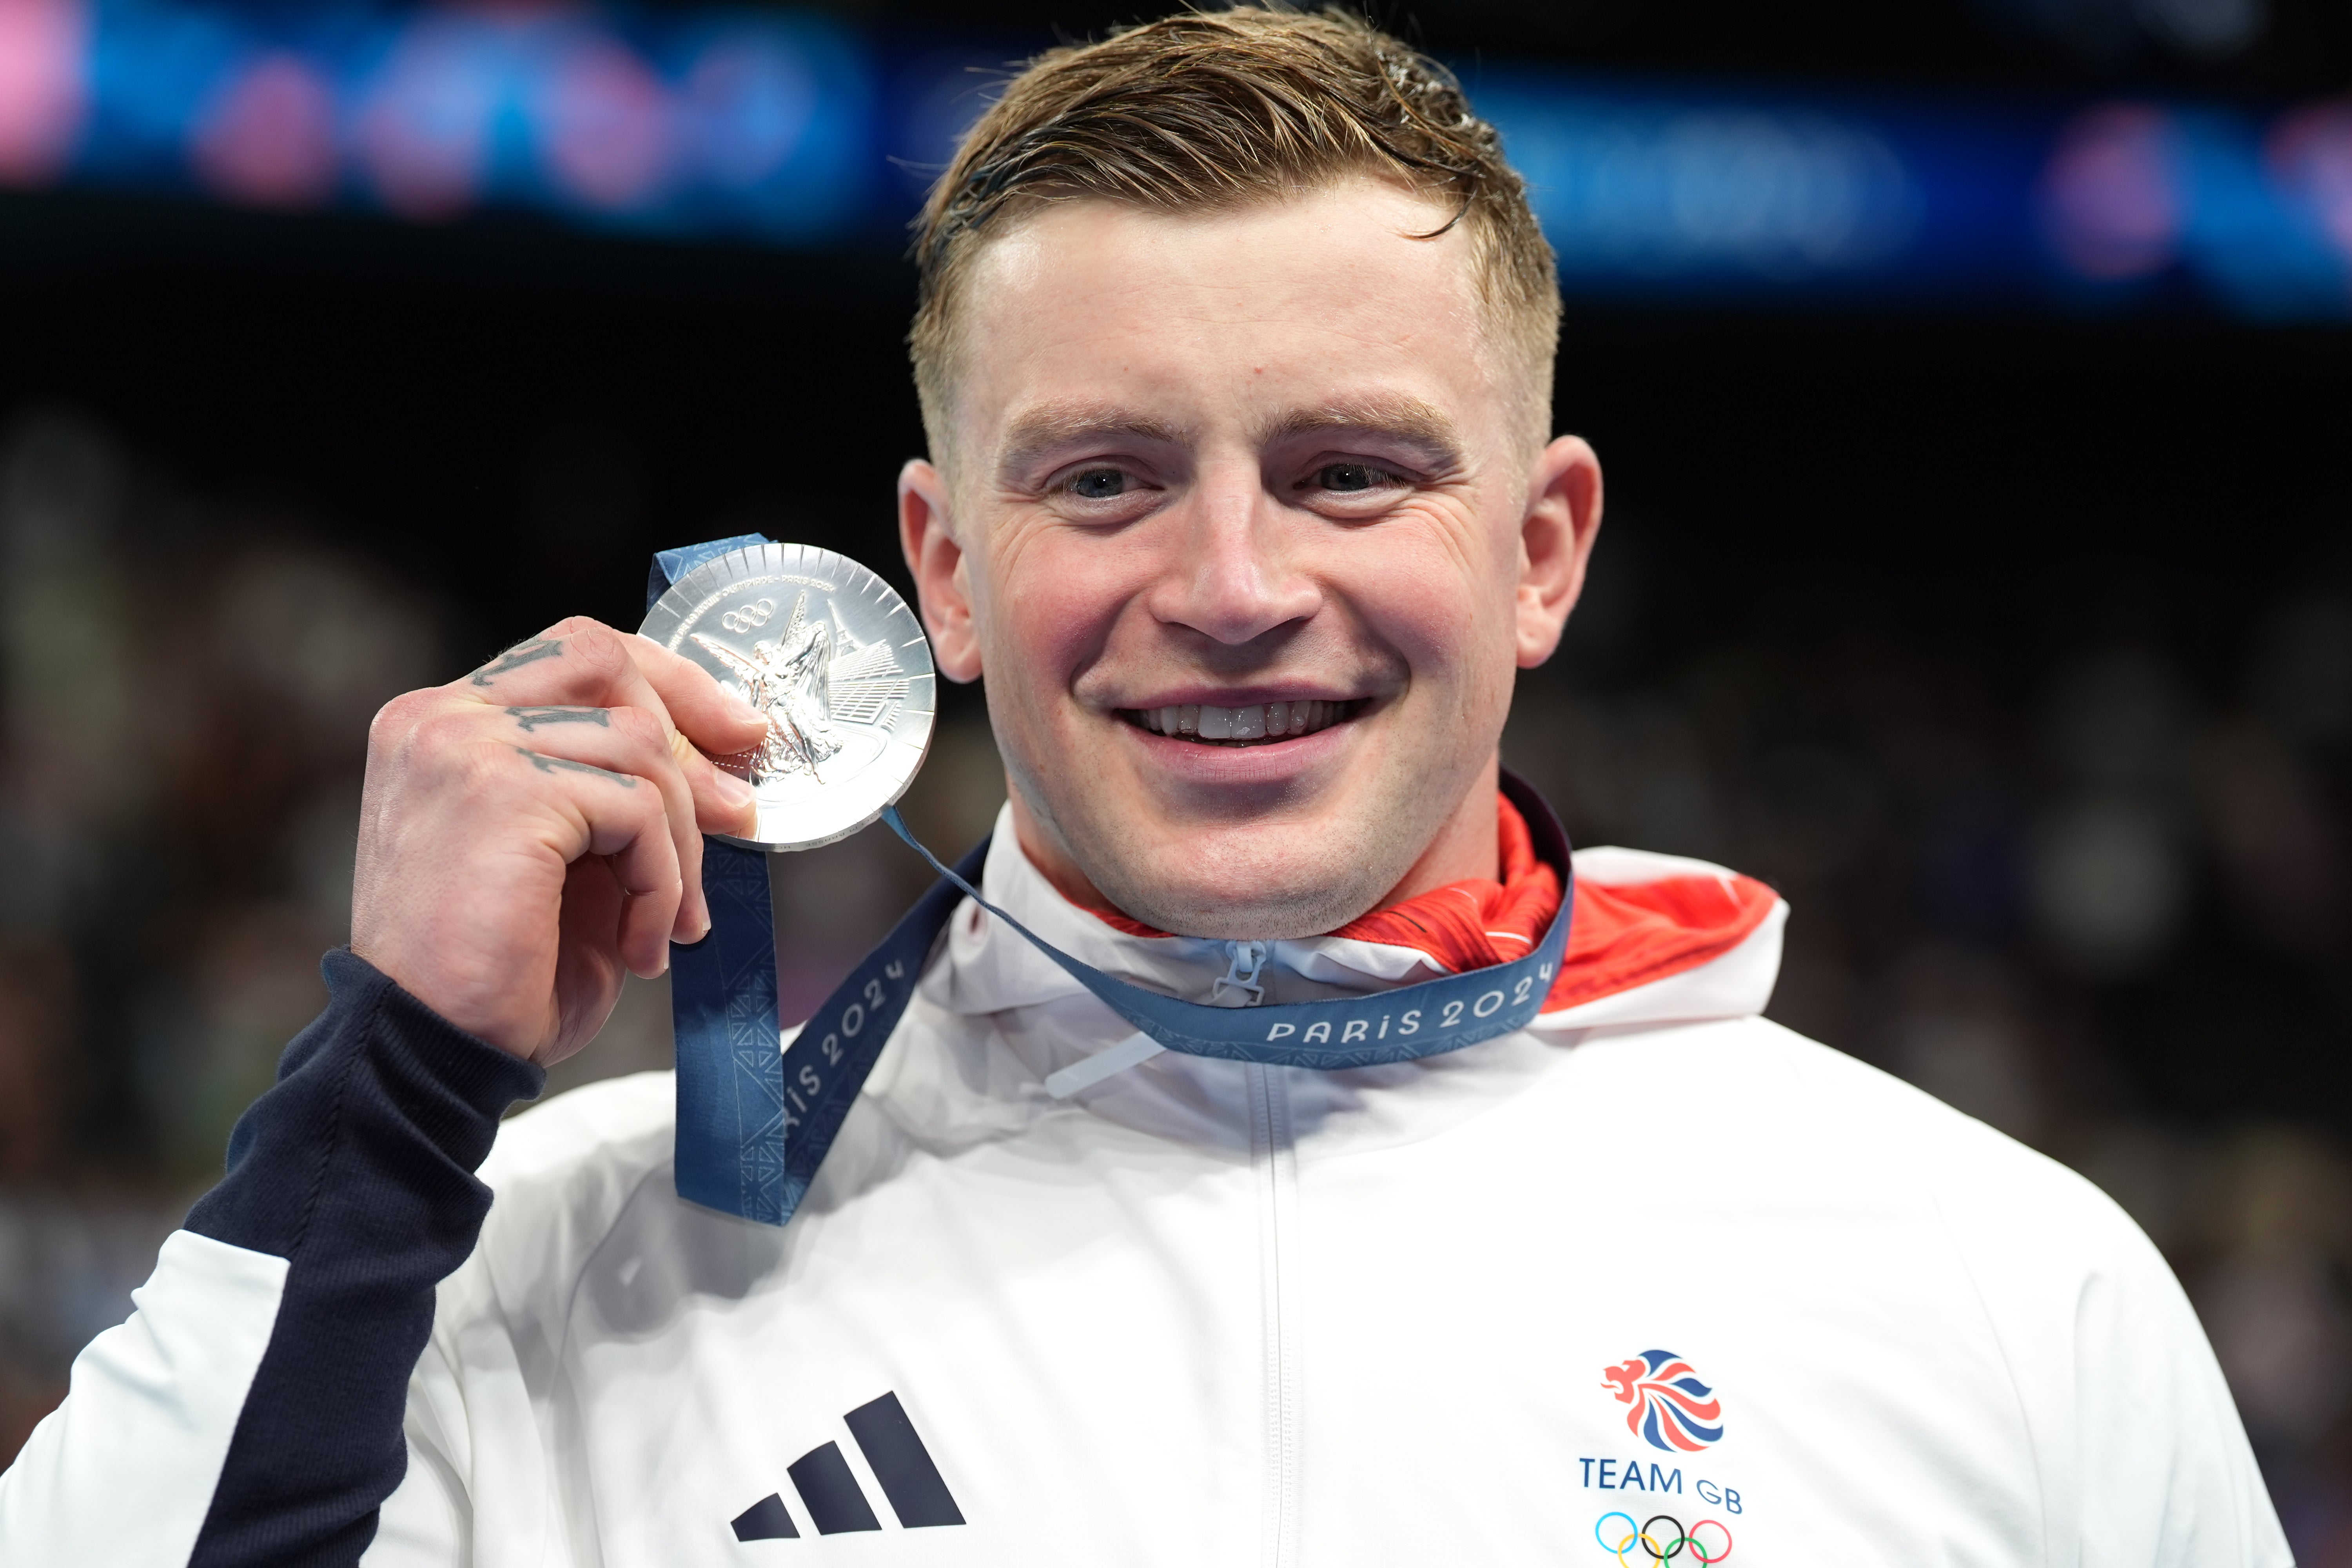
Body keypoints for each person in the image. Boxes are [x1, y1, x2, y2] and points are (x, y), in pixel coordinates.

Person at [0, 9, 2288, 1566]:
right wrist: (389, 1092)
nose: (1228, 583)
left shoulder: (1997, 1285)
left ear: (1542, 552)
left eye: (1350, 472)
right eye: (1105, 478)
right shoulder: (556, 1269)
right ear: (945, 571)